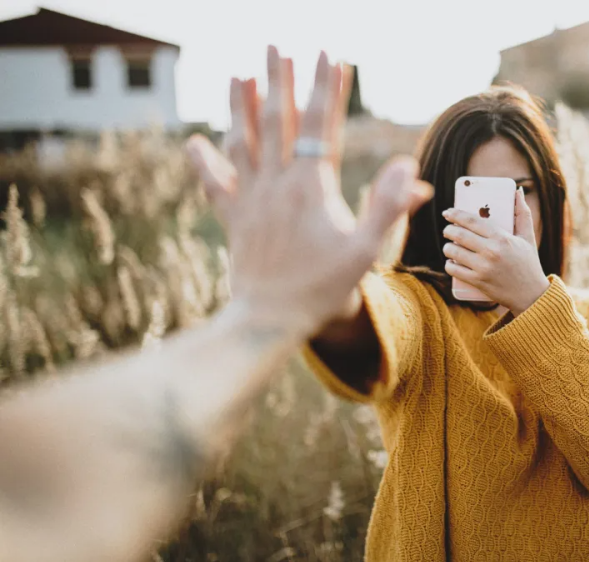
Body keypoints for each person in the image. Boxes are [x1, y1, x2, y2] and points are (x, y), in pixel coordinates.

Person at [204, 61, 589, 560]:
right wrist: (337, 300)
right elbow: (376, 327)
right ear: (437, 208)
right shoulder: (417, 306)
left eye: (522, 190)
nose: (502, 218)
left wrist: (534, 303)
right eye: (476, 197)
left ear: (551, 197)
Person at [0, 46, 432, 562]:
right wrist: (274, 310)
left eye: (524, 189)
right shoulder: (422, 302)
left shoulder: (558, 308)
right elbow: (31, 495)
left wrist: (267, 310)